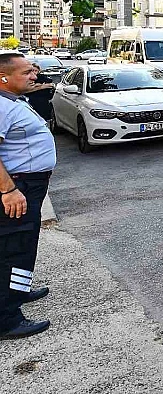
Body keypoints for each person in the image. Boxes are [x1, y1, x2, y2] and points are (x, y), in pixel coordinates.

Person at [0, 52, 56, 340]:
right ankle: (7, 319)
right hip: (18, 188)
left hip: (28, 185)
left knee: (24, 243)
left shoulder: (12, 99)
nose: (34, 75)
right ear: (4, 77)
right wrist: (8, 190)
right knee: (15, 248)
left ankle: (18, 291)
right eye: (27, 72)